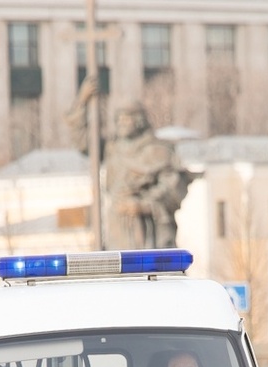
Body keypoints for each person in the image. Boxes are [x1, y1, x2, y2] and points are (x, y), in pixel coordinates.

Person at [66, 75, 192, 249]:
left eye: (126, 118)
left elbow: (173, 188)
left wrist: (142, 205)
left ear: (139, 120)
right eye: (118, 119)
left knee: (151, 269)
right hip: (118, 226)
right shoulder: (112, 149)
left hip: (149, 229)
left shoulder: (158, 150)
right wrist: (82, 101)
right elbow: (81, 141)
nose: (121, 123)